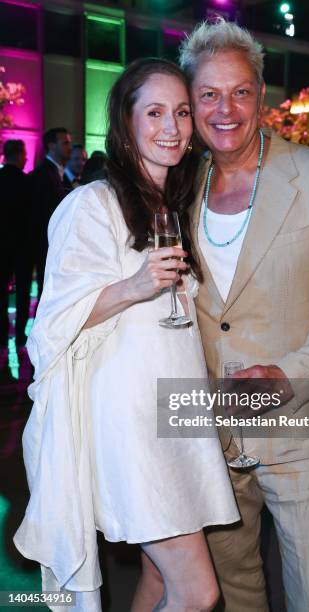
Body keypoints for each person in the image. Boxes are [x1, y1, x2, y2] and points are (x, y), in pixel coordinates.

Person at [14, 58, 239, 612]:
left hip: (172, 415)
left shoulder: (171, 205)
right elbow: (51, 327)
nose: (173, 126)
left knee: (160, 581)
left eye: (182, 112)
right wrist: (135, 285)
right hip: (129, 425)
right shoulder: (91, 204)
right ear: (126, 122)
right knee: (199, 592)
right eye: (155, 112)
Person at [178, 20, 309, 612]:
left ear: (261, 97)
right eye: (209, 95)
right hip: (208, 425)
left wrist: (290, 375)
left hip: (298, 423)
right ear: (191, 102)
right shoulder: (180, 187)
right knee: (233, 585)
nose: (226, 109)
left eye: (240, 92)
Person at [0, 139, 31, 382]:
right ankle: (20, 337)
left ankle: (1, 338)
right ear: (20, 155)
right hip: (22, 247)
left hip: (2, 247)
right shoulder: (25, 182)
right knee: (22, 294)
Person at [30, 127, 72, 299]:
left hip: (56, 245)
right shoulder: (42, 174)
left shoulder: (59, 173)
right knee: (47, 293)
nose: (70, 146)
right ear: (51, 146)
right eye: (65, 143)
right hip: (46, 246)